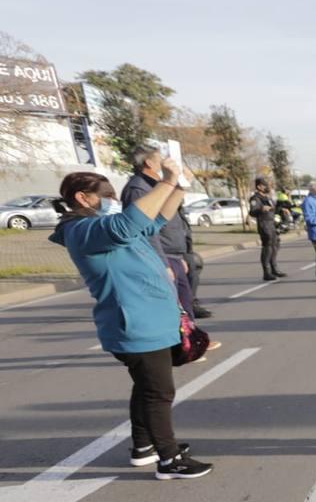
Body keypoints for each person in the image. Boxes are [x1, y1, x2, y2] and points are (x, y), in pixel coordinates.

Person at [51, 165, 213, 479]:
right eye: (107, 196)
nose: (114, 200)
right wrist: (165, 181)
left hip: (150, 320)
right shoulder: (83, 231)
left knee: (147, 387)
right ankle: (169, 459)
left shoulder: (104, 224)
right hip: (135, 324)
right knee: (159, 392)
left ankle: (143, 446)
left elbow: (156, 220)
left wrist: (178, 186)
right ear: (83, 198)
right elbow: (130, 222)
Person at [120, 143, 208, 318]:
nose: (167, 165)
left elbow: (167, 217)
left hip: (173, 254)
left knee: (185, 303)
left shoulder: (156, 186)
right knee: (173, 309)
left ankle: (190, 341)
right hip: (161, 256)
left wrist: (180, 255)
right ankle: (180, 343)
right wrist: (164, 263)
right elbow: (146, 230)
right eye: (161, 160)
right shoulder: (138, 188)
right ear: (149, 163)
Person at [248, 177, 287, 281]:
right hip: (264, 224)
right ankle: (267, 272)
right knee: (267, 247)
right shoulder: (255, 198)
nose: (267, 187)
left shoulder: (267, 198)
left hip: (272, 223)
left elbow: (272, 209)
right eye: (265, 185)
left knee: (275, 246)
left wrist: (281, 209)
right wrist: (261, 209)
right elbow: (252, 212)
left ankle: (275, 269)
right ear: (259, 186)